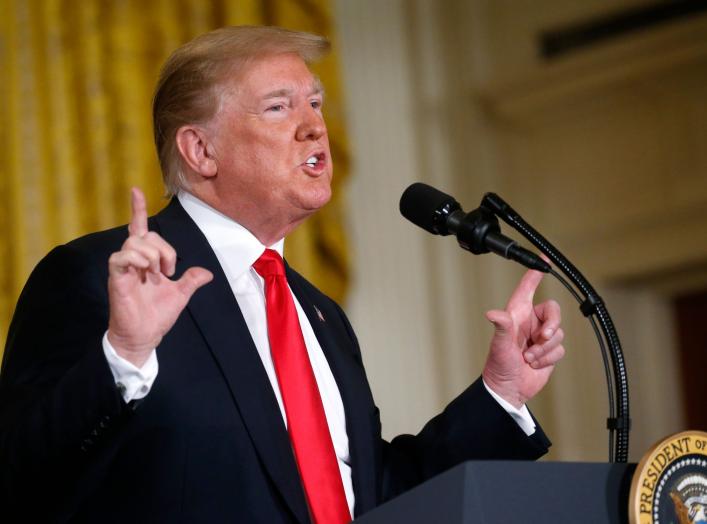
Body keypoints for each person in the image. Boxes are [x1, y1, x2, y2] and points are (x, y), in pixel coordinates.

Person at [0, 26, 565, 523]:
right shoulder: (96, 278)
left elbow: (367, 498)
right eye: (279, 107)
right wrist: (120, 357)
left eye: (315, 104)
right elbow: (19, 471)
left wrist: (501, 394)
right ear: (200, 150)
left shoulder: (319, 314)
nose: (314, 127)